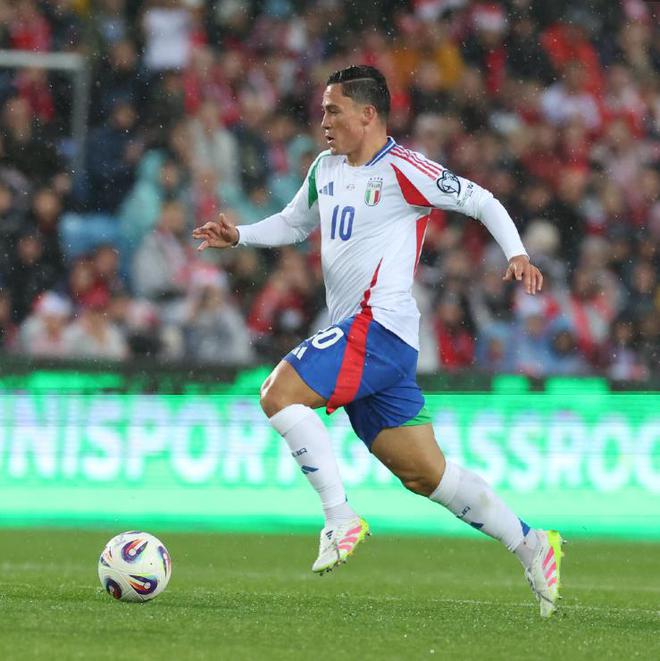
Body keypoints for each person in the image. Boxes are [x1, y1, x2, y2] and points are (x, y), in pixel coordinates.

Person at [193, 65, 563, 618]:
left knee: (277, 393)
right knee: (427, 475)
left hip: (378, 327)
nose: (323, 121)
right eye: (322, 110)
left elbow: (481, 199)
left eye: (333, 110)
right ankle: (531, 543)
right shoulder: (325, 168)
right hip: (365, 338)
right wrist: (240, 235)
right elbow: (295, 223)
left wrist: (516, 253)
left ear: (368, 114)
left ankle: (339, 518)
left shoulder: (403, 169)